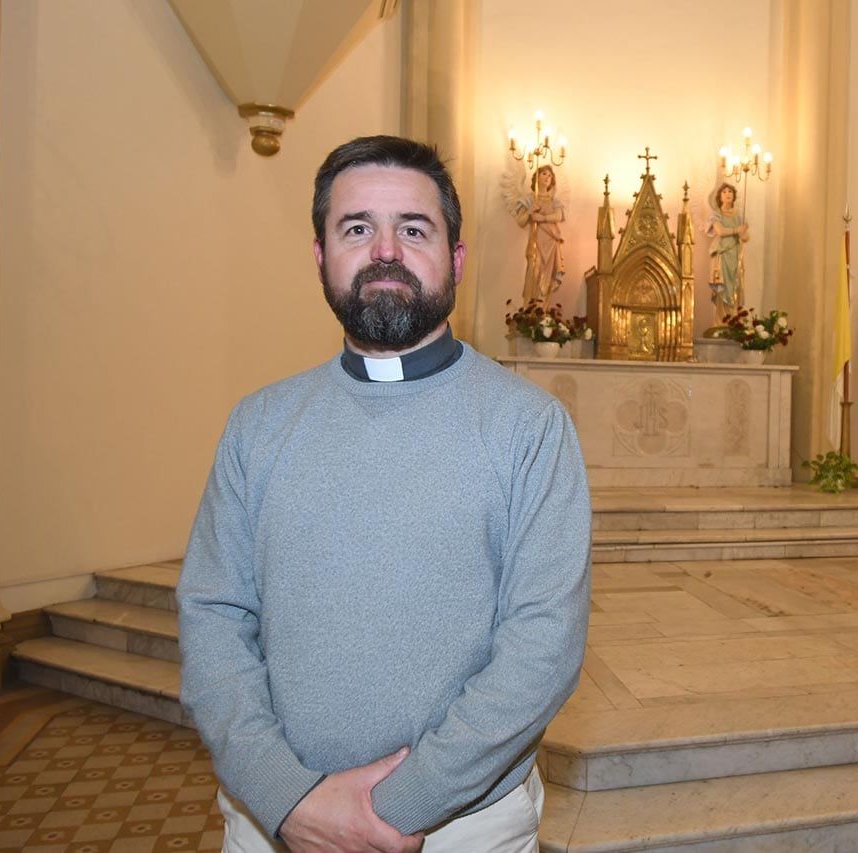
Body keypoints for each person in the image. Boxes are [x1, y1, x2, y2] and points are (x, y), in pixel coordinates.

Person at [176, 135, 592, 852]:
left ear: (457, 257)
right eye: (357, 228)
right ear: (320, 256)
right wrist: (289, 798)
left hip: (459, 829)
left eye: (414, 229)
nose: (386, 251)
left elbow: (543, 648)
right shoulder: (259, 424)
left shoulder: (529, 428)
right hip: (272, 822)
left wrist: (391, 810)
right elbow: (213, 616)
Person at [518, 164, 565, 303]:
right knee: (533, 274)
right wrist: (529, 211)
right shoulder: (530, 198)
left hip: (551, 243)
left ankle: (543, 311)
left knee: (548, 279)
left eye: (550, 175)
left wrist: (542, 218)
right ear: (536, 177)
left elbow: (559, 216)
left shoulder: (554, 200)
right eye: (544, 174)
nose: (547, 177)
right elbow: (520, 221)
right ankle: (529, 309)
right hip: (536, 243)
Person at [707, 181, 748, 324]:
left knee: (735, 287)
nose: (727, 194)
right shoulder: (716, 215)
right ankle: (721, 323)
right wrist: (737, 230)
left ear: (734, 195)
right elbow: (720, 231)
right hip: (722, 255)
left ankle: (734, 322)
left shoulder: (739, 216)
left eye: (730, 191)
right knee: (723, 288)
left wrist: (743, 233)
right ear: (720, 197)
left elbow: (746, 237)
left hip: (735, 255)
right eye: (724, 192)